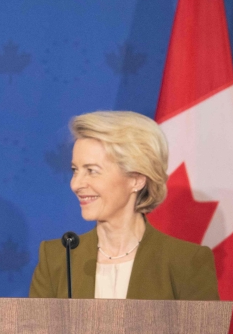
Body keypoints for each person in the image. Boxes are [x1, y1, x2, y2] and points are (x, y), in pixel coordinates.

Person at [29, 110, 219, 300]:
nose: (76, 184)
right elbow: (34, 330)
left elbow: (201, 330)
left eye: (92, 171)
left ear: (136, 180)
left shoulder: (186, 262)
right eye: (75, 170)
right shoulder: (57, 259)